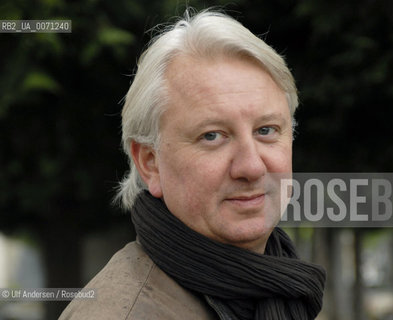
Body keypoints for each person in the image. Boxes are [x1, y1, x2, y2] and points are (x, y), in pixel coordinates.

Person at [60, 9, 326, 320]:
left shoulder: (279, 286)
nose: (252, 167)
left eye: (266, 130)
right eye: (212, 136)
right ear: (150, 163)